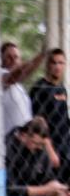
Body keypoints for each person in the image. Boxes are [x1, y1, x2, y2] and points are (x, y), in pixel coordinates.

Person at [29, 49, 70, 182]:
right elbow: (37, 122)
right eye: (53, 63)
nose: (57, 66)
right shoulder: (40, 88)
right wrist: (49, 148)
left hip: (65, 145)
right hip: (49, 148)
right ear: (47, 65)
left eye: (60, 63)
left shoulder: (62, 88)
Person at [0, 41, 45, 137]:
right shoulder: (0, 75)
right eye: (9, 57)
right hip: (9, 140)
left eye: (16, 57)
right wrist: (41, 56)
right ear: (1, 60)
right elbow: (16, 75)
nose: (13, 60)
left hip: (24, 140)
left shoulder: (19, 86)